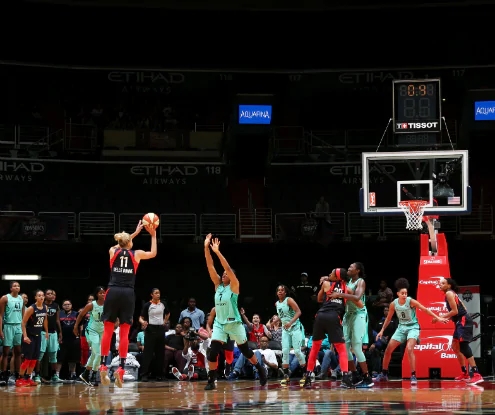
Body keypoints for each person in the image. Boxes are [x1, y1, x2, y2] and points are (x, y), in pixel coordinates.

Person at [203, 233, 267, 390]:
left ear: (232, 276)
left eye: (227, 273)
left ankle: (260, 368)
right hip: (220, 324)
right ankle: (211, 380)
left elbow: (226, 267)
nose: (224, 274)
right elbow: (210, 266)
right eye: (223, 273)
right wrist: (206, 248)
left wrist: (217, 252)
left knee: (245, 350)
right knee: (212, 352)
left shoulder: (234, 286)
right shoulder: (218, 286)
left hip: (234, 323)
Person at [99, 220, 157, 388]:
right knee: (124, 332)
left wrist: (133, 234)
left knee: (108, 330)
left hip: (112, 291)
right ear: (130, 243)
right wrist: (152, 235)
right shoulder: (136, 254)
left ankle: (103, 365)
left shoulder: (113, 251)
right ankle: (121, 370)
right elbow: (153, 253)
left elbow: (120, 244)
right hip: (127, 292)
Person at [373, 278, 447, 383]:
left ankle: (413, 375)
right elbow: (389, 318)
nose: (404, 295)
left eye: (406, 293)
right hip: (401, 328)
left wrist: (438, 318)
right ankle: (384, 374)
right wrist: (382, 330)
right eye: (402, 293)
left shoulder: (410, 301)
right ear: (398, 293)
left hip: (413, 327)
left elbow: (425, 309)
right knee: (388, 350)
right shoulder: (393, 304)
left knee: (409, 348)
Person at [302, 268, 362, 388]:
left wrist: (324, 286)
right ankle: (345, 378)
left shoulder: (326, 284)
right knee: (342, 350)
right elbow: (360, 304)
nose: (329, 274)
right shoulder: (347, 289)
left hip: (320, 316)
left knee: (314, 348)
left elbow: (319, 299)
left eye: (332, 273)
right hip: (333, 317)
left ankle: (307, 377)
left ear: (337, 277)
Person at [330, 262, 372, 387]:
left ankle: (367, 377)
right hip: (348, 315)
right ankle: (354, 375)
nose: (348, 269)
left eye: (351, 268)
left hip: (359, 314)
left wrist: (340, 294)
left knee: (356, 347)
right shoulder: (347, 283)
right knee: (344, 347)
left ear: (357, 270)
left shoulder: (360, 282)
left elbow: (358, 297)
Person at [436, 278, 483, 385]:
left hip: (463, 321)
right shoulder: (452, 294)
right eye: (440, 283)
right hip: (460, 321)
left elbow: (455, 311)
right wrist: (448, 318)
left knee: (463, 346)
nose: (440, 285)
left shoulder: (449, 293)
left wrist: (440, 317)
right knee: (455, 346)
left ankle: (476, 374)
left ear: (448, 286)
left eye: (443, 283)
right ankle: (464, 373)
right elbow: (463, 308)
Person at [16, 290, 48, 387]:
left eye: (42, 295)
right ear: (35, 297)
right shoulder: (31, 308)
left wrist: (46, 332)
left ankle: (27, 378)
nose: (41, 297)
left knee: (34, 359)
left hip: (38, 336)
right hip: (30, 336)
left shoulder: (45, 307)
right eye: (39, 295)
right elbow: (23, 323)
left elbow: (45, 320)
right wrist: (25, 336)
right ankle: (20, 378)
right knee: (27, 359)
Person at [275, 284, 306, 386]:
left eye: (282, 290)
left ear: (285, 292)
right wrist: (274, 322)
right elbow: (283, 316)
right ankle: (286, 376)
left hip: (295, 327)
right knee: (284, 351)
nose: (280, 291)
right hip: (285, 329)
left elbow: (298, 312)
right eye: (278, 290)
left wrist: (291, 322)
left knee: (297, 351)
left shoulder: (289, 300)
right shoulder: (276, 304)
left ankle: (306, 375)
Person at [74, 287, 105, 386]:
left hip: (102, 330)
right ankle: (94, 376)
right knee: (98, 353)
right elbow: (81, 315)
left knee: (96, 354)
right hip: (92, 330)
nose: (103, 294)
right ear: (97, 294)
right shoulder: (92, 305)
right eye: (100, 293)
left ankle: (86, 374)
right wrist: (76, 326)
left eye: (104, 293)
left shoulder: (108, 305)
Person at [138, 288, 170, 382]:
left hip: (160, 329)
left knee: (160, 353)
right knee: (148, 353)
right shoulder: (147, 305)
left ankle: (159, 375)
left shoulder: (163, 304)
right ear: (151, 295)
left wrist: (164, 321)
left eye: (159, 293)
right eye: (156, 293)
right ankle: (144, 375)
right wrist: (143, 322)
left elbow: (168, 313)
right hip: (150, 330)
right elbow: (141, 317)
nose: (158, 294)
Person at [0, 281, 24, 385]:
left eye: (18, 286)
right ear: (11, 288)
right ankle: (3, 374)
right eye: (14, 286)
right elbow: (0, 315)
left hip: (18, 326)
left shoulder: (21, 298)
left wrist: (24, 329)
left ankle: (17, 374)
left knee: (18, 352)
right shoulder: (5, 298)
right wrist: (0, 330)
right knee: (5, 352)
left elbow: (23, 315)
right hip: (8, 325)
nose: (17, 287)